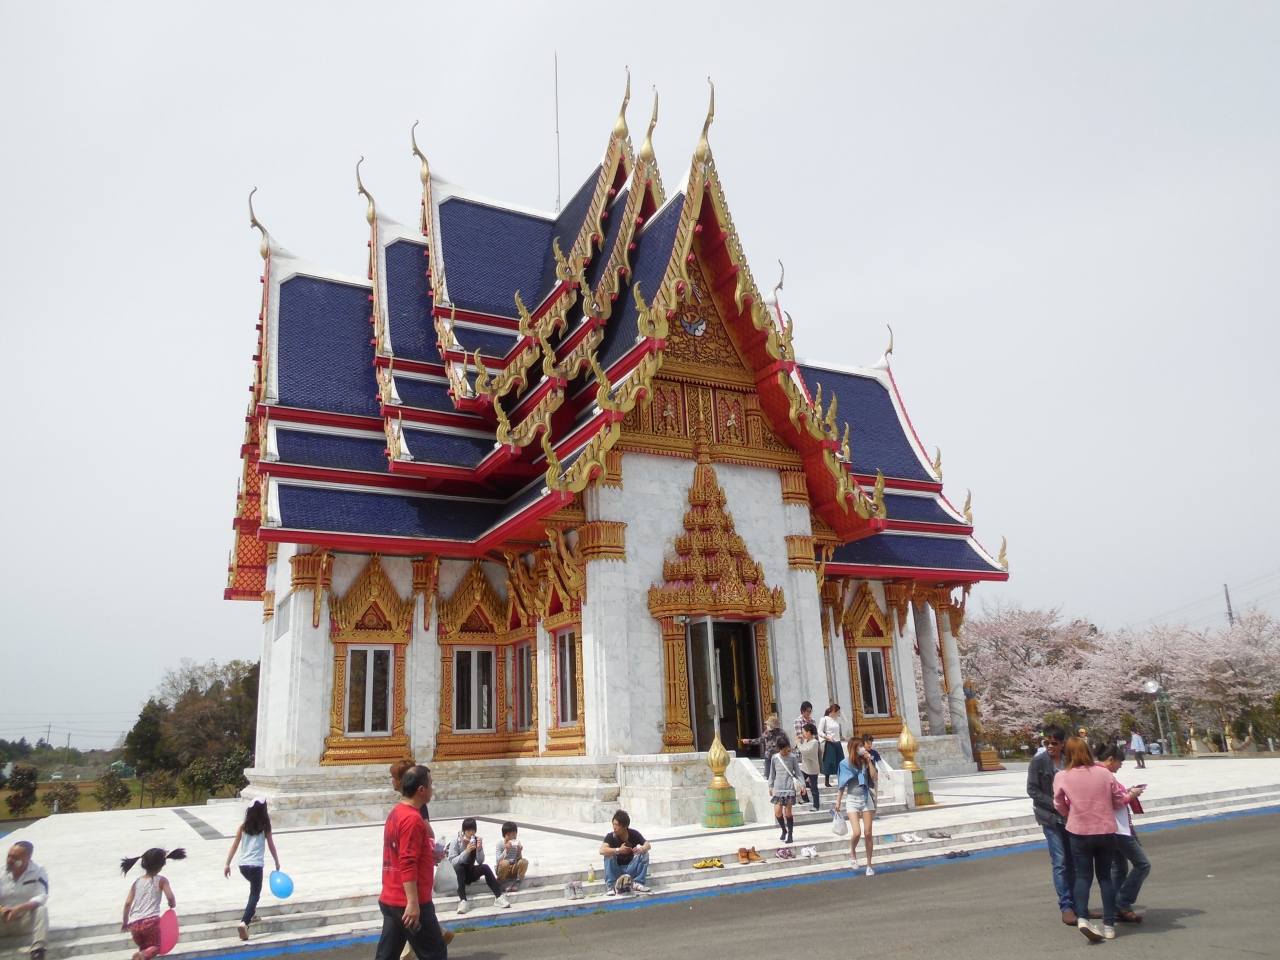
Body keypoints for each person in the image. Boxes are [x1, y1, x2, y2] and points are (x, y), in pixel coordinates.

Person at [1053, 737, 1128, 943]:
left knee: (1083, 877)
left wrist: (1069, 813)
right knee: (1105, 877)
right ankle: (1110, 925)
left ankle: (1083, 918)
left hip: (1079, 830)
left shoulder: (1062, 776)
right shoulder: (1104, 773)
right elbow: (1118, 800)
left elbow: (1058, 803)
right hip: (1105, 830)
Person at [375, 764, 449, 960]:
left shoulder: (396, 812)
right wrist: (413, 903)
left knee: (387, 955)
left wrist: (428, 856)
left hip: (391, 897)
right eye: (431, 784)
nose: (433, 789)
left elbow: (401, 852)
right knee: (435, 953)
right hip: (409, 901)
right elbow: (407, 861)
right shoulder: (413, 819)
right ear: (421, 790)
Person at [1027, 723, 1082, 926]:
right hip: (1051, 819)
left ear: (1063, 743)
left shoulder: (1071, 760)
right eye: (1046, 742)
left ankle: (1079, 905)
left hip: (1072, 818)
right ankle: (1066, 906)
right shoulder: (1038, 762)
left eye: (1054, 743)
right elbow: (1032, 790)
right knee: (1060, 862)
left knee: (1074, 862)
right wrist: (1055, 805)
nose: (1050, 746)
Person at [1097, 745, 1150, 924]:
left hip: (1113, 827)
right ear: (1111, 759)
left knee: (1119, 868)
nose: (1121, 765)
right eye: (1120, 761)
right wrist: (1132, 795)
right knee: (1142, 864)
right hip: (1117, 829)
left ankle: (1115, 908)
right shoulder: (1104, 776)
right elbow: (1116, 802)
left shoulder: (1099, 774)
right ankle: (1122, 901)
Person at [223, 799, 281, 941]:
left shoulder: (243, 827)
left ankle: (251, 912)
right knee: (255, 893)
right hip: (256, 866)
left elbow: (234, 846)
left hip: (243, 866)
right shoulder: (265, 827)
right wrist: (276, 861)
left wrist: (227, 864)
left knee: (253, 891)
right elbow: (271, 846)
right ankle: (244, 922)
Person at [120, 847, 184, 960]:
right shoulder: (161, 880)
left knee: (144, 948)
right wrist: (171, 903)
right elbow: (170, 896)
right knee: (156, 946)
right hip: (150, 921)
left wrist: (125, 921)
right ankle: (141, 956)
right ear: (161, 865)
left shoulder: (137, 881)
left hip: (134, 924)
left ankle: (140, 955)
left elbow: (127, 903)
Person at [446, 819, 511, 915]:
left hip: (470, 872)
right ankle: (463, 901)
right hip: (459, 874)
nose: (470, 833)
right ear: (463, 831)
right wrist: (466, 851)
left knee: (485, 867)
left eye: (472, 830)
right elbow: (452, 862)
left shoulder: (476, 840)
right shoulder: (456, 842)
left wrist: (479, 849)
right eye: (468, 830)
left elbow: (480, 861)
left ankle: (499, 897)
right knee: (459, 868)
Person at [835, 736, 878, 876]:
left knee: (868, 833)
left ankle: (869, 865)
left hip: (866, 798)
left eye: (862, 746)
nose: (862, 748)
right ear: (853, 748)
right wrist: (838, 801)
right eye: (859, 746)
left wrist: (869, 761)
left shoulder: (865, 761)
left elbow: (874, 777)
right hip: (852, 799)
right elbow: (842, 784)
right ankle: (852, 853)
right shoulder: (844, 764)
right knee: (857, 832)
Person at [1, 842, 48, 960]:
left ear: (27, 858)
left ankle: (38, 951)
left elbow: (42, 896)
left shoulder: (39, 871)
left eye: (15, 857)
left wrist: (20, 908)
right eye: (9, 856)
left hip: (24, 920)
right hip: (3, 920)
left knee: (41, 910)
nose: (10, 860)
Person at [767, 734, 808, 844]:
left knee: (788, 812)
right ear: (779, 748)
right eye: (784, 749)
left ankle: (790, 833)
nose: (786, 751)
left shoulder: (793, 757)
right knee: (778, 812)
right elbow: (772, 773)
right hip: (778, 787)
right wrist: (770, 785)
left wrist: (802, 785)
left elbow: (798, 773)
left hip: (789, 787)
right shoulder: (775, 758)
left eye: (787, 749)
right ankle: (783, 830)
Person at [600, 810, 652, 896]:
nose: (614, 827)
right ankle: (610, 885)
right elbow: (602, 850)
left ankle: (639, 882)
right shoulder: (611, 836)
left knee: (645, 854)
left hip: (629, 870)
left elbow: (648, 845)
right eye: (613, 824)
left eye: (617, 825)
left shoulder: (633, 834)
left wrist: (641, 849)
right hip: (617, 869)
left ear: (625, 826)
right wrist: (618, 850)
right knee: (608, 855)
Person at [742, 715, 785, 781]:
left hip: (778, 757)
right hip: (768, 756)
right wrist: (749, 741)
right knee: (769, 776)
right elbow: (760, 740)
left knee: (779, 776)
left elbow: (787, 743)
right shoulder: (767, 732)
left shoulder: (782, 733)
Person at [496, 822, 528, 893]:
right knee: (505, 863)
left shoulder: (516, 844)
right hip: (503, 869)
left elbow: (519, 861)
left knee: (524, 861)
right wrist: (506, 851)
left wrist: (519, 853)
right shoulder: (500, 845)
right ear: (504, 835)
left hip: (513, 868)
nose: (512, 837)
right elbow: (498, 860)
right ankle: (501, 882)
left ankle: (518, 881)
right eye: (509, 835)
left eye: (514, 835)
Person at [797, 722, 822, 812]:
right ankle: (805, 798)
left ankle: (816, 805)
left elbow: (805, 751)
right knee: (801, 782)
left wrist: (799, 743)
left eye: (803, 731)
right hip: (805, 767)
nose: (802, 733)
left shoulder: (814, 742)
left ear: (808, 732)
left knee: (814, 788)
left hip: (812, 768)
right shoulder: (806, 741)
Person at [818, 704, 845, 787]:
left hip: (837, 742)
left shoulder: (837, 719)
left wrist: (841, 713)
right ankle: (827, 780)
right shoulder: (824, 719)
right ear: (833, 711)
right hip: (829, 742)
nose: (839, 713)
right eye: (838, 711)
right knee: (829, 762)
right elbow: (819, 731)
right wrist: (827, 737)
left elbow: (845, 721)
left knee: (840, 761)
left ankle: (842, 779)